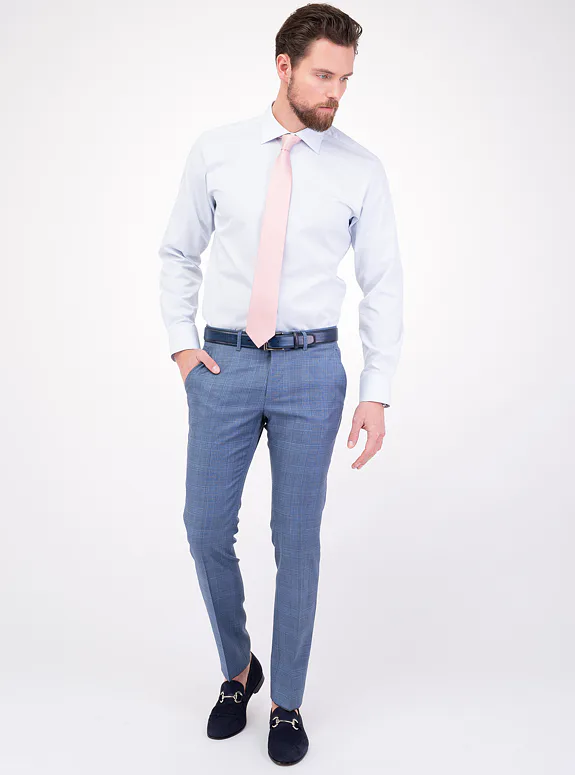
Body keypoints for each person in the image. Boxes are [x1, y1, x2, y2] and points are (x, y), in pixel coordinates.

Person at [158, 3, 403, 766]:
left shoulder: (360, 168)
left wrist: (375, 389)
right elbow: (178, 253)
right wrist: (183, 348)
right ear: (283, 66)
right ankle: (238, 670)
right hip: (224, 365)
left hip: (310, 370)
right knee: (204, 528)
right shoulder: (218, 151)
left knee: (296, 541)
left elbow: (383, 284)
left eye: (345, 79)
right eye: (323, 76)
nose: (335, 93)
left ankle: (286, 701)